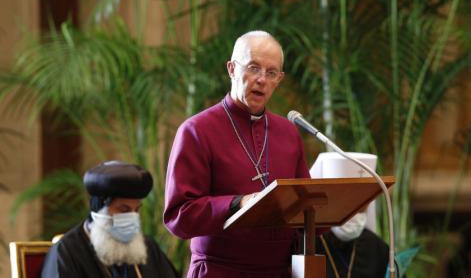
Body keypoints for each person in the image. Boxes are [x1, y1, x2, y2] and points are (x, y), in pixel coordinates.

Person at [163, 30, 310, 277]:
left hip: (278, 272)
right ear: (232, 69)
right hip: (220, 269)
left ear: (279, 79)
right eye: (253, 67)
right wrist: (237, 204)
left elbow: (304, 205)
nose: (262, 79)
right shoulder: (197, 130)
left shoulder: (288, 133)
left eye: (271, 72)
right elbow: (179, 215)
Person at [41, 161, 179, 278]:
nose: (132, 217)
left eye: (136, 210)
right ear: (99, 209)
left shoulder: (148, 247)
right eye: (124, 210)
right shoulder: (67, 252)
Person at [310, 152, 390, 278]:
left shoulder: (378, 249)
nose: (354, 210)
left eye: (362, 200)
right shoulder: (307, 245)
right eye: (346, 200)